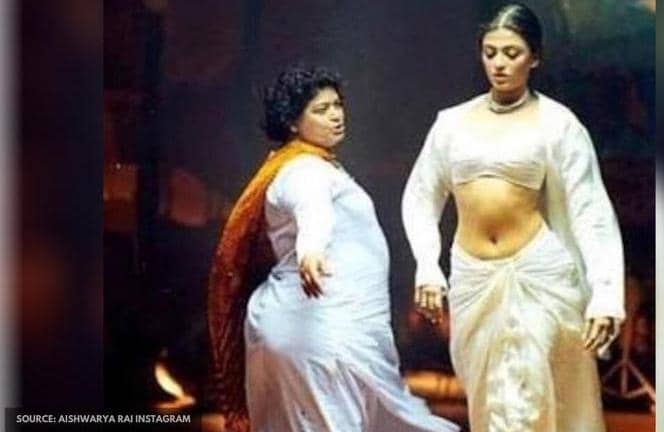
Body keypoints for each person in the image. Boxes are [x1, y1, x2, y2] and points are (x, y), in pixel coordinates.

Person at [402, 3, 625, 431]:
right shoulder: (451, 124)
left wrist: (606, 293)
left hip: (536, 272)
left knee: (529, 394)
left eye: (512, 53)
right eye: (490, 53)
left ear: (534, 57)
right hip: (473, 276)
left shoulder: (557, 124)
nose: (499, 64)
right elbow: (420, 197)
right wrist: (427, 265)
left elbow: (591, 211)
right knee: (489, 398)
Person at [208, 65, 459, 432]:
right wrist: (311, 250)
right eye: (321, 109)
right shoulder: (302, 170)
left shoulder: (317, 166)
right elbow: (312, 209)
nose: (336, 115)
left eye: (337, 105)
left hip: (328, 331)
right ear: (293, 123)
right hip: (314, 331)